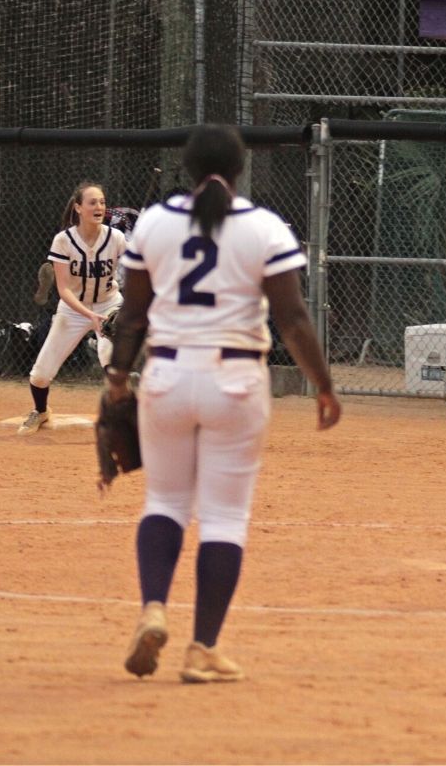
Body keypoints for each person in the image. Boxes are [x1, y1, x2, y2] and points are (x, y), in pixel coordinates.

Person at [109, 124, 341, 682]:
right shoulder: (263, 227)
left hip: (164, 374)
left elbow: (135, 313)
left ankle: (153, 608)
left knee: (164, 500)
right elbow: (291, 317)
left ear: (186, 167)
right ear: (240, 169)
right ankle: (202, 650)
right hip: (235, 381)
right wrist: (324, 385)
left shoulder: (155, 223)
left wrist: (118, 375)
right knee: (223, 516)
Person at [17, 182, 127, 435]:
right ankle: (41, 411)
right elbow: (64, 290)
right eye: (92, 202)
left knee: (109, 355)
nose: (99, 206)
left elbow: (137, 270)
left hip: (110, 304)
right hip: (73, 309)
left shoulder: (116, 238)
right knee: (41, 374)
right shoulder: (63, 241)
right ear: (78, 208)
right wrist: (90, 315)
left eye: (101, 202)